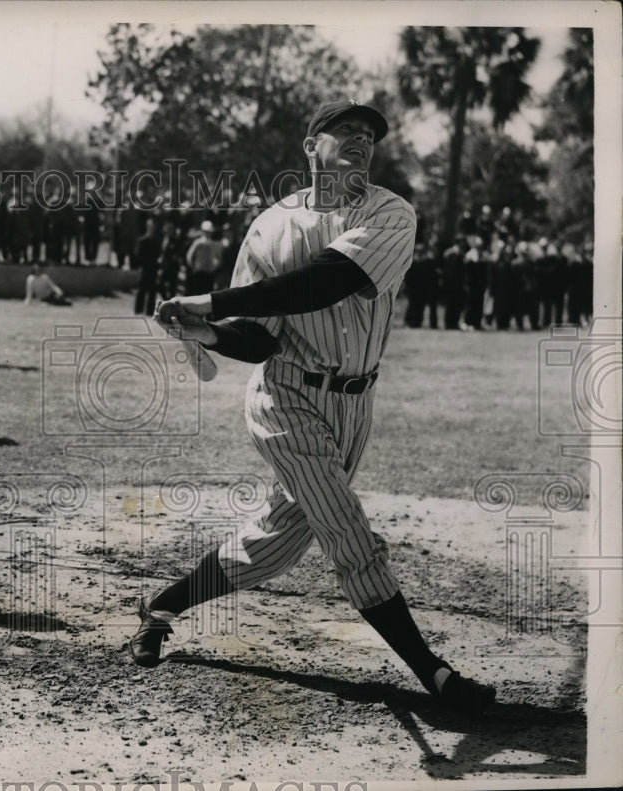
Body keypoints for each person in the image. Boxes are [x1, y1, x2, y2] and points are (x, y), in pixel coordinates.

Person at [129, 99, 496, 716]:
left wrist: (208, 302)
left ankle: (161, 606)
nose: (360, 139)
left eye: (369, 134)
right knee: (350, 537)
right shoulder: (272, 225)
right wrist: (207, 332)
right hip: (286, 398)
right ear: (311, 147)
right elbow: (263, 338)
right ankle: (434, 675)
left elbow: (325, 281)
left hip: (356, 403)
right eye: (344, 129)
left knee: (272, 548)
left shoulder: (390, 211)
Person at [133, 217, 163, 316]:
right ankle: (138, 309)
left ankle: (150, 310)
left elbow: (159, 254)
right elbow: (138, 255)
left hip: (153, 268)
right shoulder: (143, 241)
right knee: (142, 289)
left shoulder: (157, 241)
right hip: (145, 267)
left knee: (152, 290)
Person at [184, 220, 223, 295]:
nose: (208, 234)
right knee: (197, 293)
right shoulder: (198, 242)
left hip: (209, 273)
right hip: (199, 272)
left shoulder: (214, 244)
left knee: (208, 294)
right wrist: (192, 267)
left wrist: (215, 267)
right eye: (206, 232)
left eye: (209, 232)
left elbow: (219, 257)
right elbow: (189, 255)